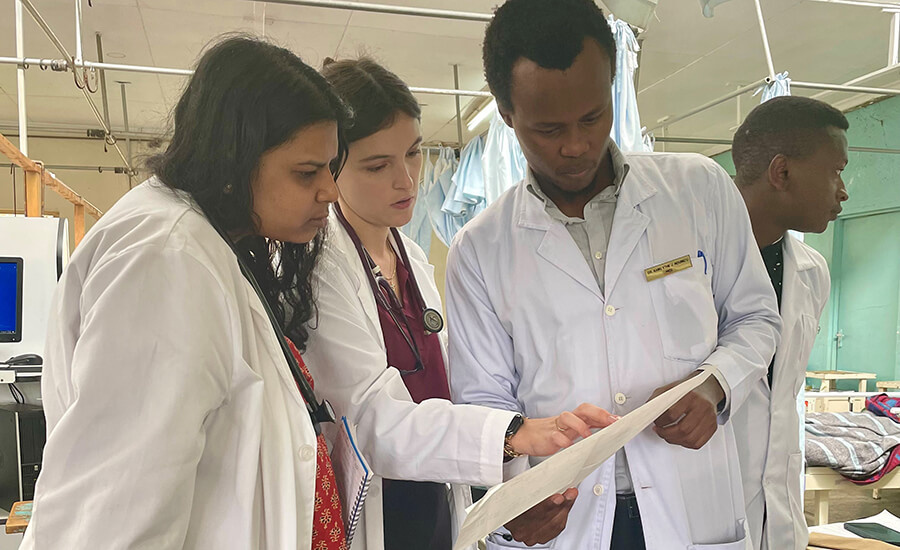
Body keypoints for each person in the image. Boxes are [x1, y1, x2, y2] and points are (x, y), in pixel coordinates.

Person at [444, 0, 783, 548]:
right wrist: (512, 502)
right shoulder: (479, 249)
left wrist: (717, 384)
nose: (575, 146)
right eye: (548, 128)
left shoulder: (699, 191)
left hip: (690, 505)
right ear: (508, 116)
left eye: (593, 116)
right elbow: (485, 400)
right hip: (568, 521)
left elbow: (757, 317)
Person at [23, 36, 352, 549]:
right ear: (233, 160)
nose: (330, 190)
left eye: (331, 169)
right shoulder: (166, 258)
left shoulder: (211, 240)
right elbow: (118, 517)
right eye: (306, 172)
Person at [301, 57, 616, 550]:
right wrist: (513, 434)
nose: (406, 181)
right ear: (330, 168)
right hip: (380, 517)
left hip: (437, 509)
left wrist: (514, 487)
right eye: (377, 165)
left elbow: (452, 395)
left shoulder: (412, 261)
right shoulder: (323, 270)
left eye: (413, 153)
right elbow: (372, 423)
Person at [731, 96, 850, 550]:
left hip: (778, 509)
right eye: (835, 171)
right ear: (781, 172)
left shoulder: (812, 270)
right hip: (699, 500)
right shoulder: (687, 264)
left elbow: (783, 392)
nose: (843, 190)